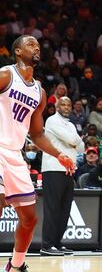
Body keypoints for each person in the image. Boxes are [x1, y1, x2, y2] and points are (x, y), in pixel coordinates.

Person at [0, 35, 75, 271]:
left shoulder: (39, 92)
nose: (36, 48)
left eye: (38, 45)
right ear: (18, 52)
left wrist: (59, 154)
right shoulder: (5, 75)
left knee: (30, 218)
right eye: (30, 44)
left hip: (15, 154)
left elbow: (38, 134)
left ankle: (16, 264)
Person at [41, 96, 84, 256]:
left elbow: (80, 147)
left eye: (68, 105)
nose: (66, 107)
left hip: (69, 170)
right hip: (53, 168)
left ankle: (57, 243)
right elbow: (73, 139)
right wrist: (74, 141)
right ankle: (47, 245)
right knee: (52, 208)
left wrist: (74, 141)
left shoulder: (71, 124)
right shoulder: (52, 121)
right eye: (63, 104)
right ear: (57, 106)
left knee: (64, 209)